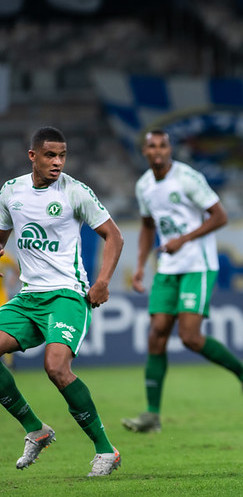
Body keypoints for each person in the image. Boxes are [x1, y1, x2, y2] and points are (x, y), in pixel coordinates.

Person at [0, 126, 124, 476]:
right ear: (32, 156)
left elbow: (113, 237)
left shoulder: (75, 192)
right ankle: (35, 428)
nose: (57, 162)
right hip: (28, 298)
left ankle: (105, 451)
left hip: (66, 294)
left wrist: (101, 282)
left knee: (55, 367)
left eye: (62, 155)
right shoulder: (11, 191)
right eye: (50, 155)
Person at [121, 130, 243, 433]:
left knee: (189, 337)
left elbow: (219, 216)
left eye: (163, 145)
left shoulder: (187, 178)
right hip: (167, 267)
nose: (158, 151)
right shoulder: (144, 185)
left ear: (169, 149)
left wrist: (183, 240)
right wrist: (140, 265)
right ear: (144, 152)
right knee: (156, 334)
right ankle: (152, 415)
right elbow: (148, 226)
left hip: (197, 265)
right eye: (152, 146)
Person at [0, 252, 20, 371]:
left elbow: (17, 268)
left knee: (4, 329)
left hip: (2, 297)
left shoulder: (5, 256)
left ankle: (9, 364)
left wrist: (13, 279)